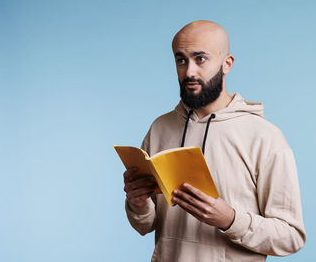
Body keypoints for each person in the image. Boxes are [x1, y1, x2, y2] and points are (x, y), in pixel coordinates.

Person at [123, 20, 306, 262]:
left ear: (227, 63)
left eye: (200, 59)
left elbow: (290, 237)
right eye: (181, 60)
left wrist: (230, 219)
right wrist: (138, 203)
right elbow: (146, 225)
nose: (189, 71)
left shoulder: (265, 137)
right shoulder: (159, 128)